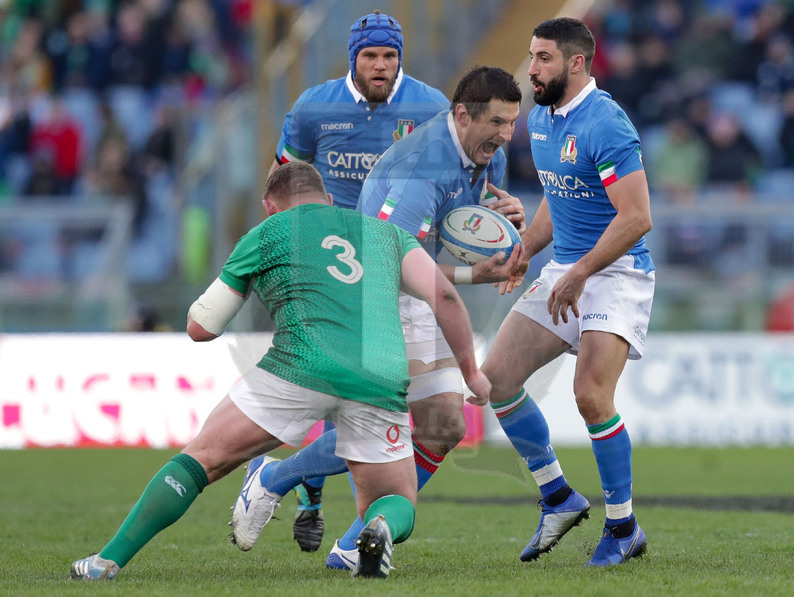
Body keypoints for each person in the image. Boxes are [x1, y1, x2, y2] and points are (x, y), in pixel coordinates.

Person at [70, 161, 491, 581]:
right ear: (328, 200)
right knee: (396, 497)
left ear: (271, 208)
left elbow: (202, 328)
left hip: (299, 367)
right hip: (378, 376)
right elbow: (446, 299)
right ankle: (379, 528)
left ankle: (105, 563)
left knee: (201, 460)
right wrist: (471, 373)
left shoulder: (267, 233)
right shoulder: (386, 234)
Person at [235, 65, 527, 570]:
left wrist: (502, 224)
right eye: (497, 123)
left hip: (418, 289)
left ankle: (340, 530)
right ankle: (288, 492)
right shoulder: (416, 170)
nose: (506, 136)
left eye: (511, 123)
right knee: (384, 425)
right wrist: (469, 279)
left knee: (443, 425)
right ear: (461, 115)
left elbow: (465, 217)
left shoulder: (484, 154)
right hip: (376, 294)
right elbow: (386, 263)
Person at [265, 10, 451, 552]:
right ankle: (313, 496)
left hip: (399, 268)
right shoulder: (312, 109)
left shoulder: (430, 108)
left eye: (389, 56)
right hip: (331, 268)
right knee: (338, 394)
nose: (380, 65)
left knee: (371, 401)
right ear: (353, 59)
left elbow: (464, 179)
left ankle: (307, 492)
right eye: (370, 56)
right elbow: (284, 184)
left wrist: (491, 207)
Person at [483, 17, 654, 567]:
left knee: (590, 396)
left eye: (543, 59)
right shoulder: (539, 119)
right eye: (531, 56)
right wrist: (526, 250)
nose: (531, 68)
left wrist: (580, 271)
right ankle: (557, 495)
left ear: (576, 63)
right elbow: (559, 197)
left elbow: (637, 218)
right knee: (497, 380)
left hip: (617, 272)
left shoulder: (608, 124)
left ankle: (623, 527)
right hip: (566, 267)